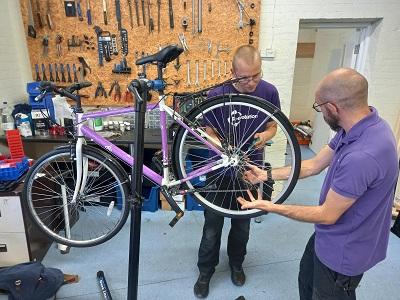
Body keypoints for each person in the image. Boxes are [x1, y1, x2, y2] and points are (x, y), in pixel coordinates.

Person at [238, 68, 399, 300]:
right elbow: (314, 165)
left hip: (345, 251)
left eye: (319, 107)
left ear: (334, 108)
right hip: (329, 237)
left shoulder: (362, 156)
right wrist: (265, 175)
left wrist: (271, 206)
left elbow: (327, 214)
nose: (320, 113)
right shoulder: (360, 126)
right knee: (306, 280)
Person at [194, 45, 281, 298]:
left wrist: (265, 135)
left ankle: (236, 264)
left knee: (242, 225)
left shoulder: (269, 92)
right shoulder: (217, 93)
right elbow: (208, 133)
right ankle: (205, 271)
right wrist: (226, 151)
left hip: (251, 171)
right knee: (212, 225)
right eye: (245, 77)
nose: (252, 82)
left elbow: (273, 125)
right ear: (232, 72)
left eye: (257, 75)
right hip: (218, 170)